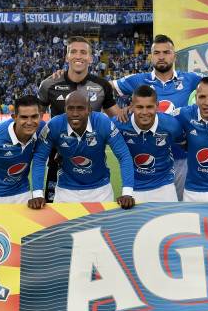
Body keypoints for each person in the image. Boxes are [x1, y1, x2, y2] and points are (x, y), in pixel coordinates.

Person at [112, 34, 203, 200]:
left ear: (174, 55)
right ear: (151, 56)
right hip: (150, 160)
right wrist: (118, 112)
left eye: (166, 52)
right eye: (157, 53)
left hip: (182, 159)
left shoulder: (190, 79)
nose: (161, 57)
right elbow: (104, 88)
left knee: (181, 210)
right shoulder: (138, 80)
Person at [38, 36, 121, 203]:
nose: (78, 56)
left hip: (92, 160)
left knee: (94, 215)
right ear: (67, 56)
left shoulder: (101, 86)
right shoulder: (49, 84)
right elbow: (36, 120)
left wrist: (133, 109)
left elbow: (118, 117)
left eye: (83, 52)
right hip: (58, 161)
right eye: (73, 52)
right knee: (54, 214)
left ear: (91, 58)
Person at [29, 91, 135, 209]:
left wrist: (127, 193)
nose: (75, 113)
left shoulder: (102, 122)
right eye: (70, 108)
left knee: (102, 228)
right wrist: (37, 194)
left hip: (101, 191)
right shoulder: (54, 125)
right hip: (66, 192)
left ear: (89, 109)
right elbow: (39, 158)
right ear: (65, 109)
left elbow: (123, 155)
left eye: (80, 108)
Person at [112, 85, 184, 202]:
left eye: (149, 107)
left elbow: (183, 142)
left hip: (164, 186)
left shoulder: (171, 124)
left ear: (157, 106)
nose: (144, 112)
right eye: (139, 107)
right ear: (132, 107)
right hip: (133, 187)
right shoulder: (119, 123)